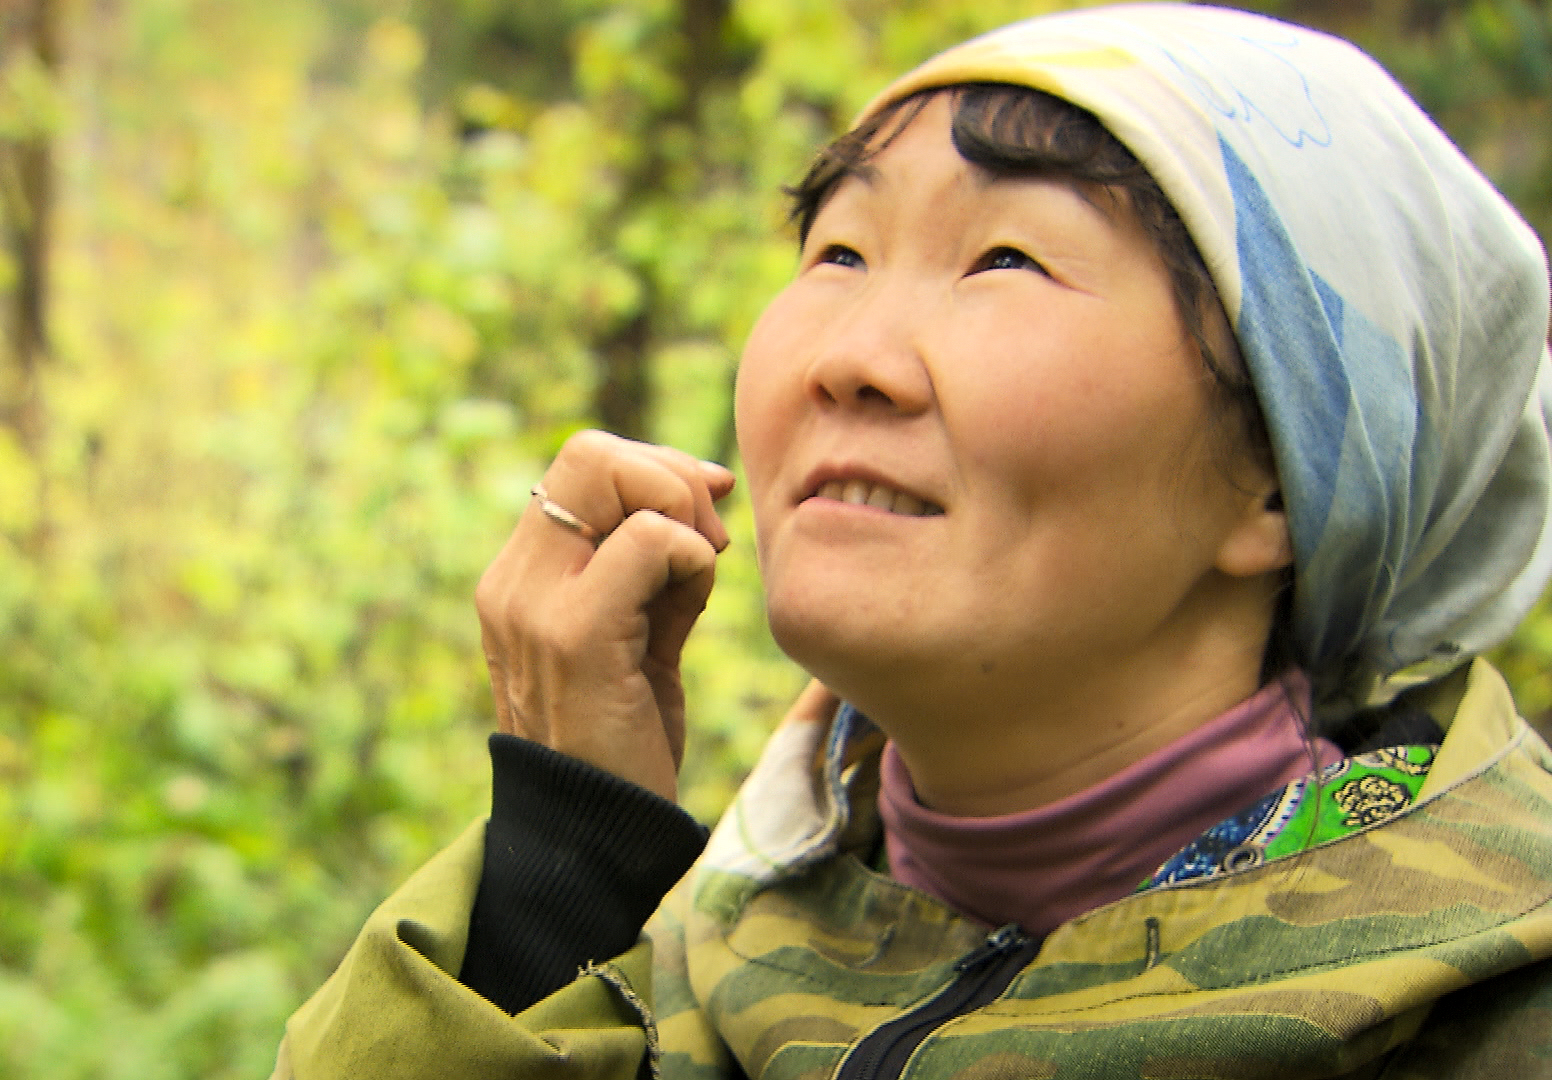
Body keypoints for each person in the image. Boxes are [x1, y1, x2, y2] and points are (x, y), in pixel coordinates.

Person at [274, 4, 1552, 1077]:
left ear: (1279, 473)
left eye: (1003, 259)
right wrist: (555, 870)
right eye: (839, 250)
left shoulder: (1487, 1011)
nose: (850, 358)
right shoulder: (656, 970)